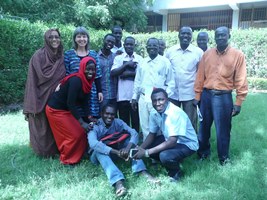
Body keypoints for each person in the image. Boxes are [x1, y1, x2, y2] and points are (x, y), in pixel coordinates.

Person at [194, 26, 248, 165]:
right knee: (203, 127)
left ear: (229, 36)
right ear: (214, 37)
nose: (220, 38)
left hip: (223, 97)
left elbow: (241, 79)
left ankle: (224, 158)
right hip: (206, 96)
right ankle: (203, 154)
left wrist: (238, 102)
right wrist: (197, 96)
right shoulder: (207, 54)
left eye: (223, 35)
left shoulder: (238, 55)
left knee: (223, 129)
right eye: (217, 35)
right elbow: (200, 76)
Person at [88, 104, 157, 197]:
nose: (109, 116)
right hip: (98, 156)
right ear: (101, 114)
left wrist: (127, 148)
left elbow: (134, 133)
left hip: (116, 153)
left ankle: (142, 171)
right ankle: (118, 182)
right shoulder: (95, 126)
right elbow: (93, 144)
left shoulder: (118, 122)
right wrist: (117, 152)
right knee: (99, 151)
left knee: (130, 143)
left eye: (112, 114)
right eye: (107, 114)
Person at [133, 88, 199, 182]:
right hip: (170, 140)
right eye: (154, 100)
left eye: (161, 99)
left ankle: (175, 173)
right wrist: (140, 149)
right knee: (150, 145)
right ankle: (174, 159)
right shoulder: (154, 112)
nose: (157, 103)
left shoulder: (175, 113)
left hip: (187, 144)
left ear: (167, 99)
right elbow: (152, 134)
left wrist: (146, 152)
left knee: (164, 156)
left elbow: (172, 142)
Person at [46, 56, 97, 165]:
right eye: (88, 69)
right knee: (74, 135)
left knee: (82, 132)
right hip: (55, 110)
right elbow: (71, 103)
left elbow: (84, 102)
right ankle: (67, 160)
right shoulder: (76, 80)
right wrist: (81, 122)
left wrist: (89, 117)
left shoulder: (88, 82)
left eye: (93, 69)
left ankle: (79, 155)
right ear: (82, 68)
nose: (90, 72)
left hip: (66, 110)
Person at [23, 28, 66, 158]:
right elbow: (33, 80)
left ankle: (57, 149)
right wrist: (33, 101)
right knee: (42, 124)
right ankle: (43, 152)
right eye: (51, 37)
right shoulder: (38, 56)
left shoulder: (62, 56)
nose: (54, 40)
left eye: (57, 37)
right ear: (46, 39)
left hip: (57, 98)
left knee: (56, 124)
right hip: (41, 96)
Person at [131, 37, 175, 140]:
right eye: (149, 46)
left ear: (159, 47)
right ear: (146, 47)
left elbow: (171, 83)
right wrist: (134, 97)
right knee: (145, 124)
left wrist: (165, 98)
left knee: (160, 124)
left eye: (154, 45)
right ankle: (148, 149)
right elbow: (137, 81)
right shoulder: (142, 62)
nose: (152, 48)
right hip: (143, 98)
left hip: (158, 100)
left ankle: (160, 146)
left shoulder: (165, 62)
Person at [165, 26, 203, 132]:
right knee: (172, 121)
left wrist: (198, 95)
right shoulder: (170, 52)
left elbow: (201, 74)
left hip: (190, 94)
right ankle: (174, 144)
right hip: (172, 93)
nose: (185, 36)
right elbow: (165, 72)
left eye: (188, 34)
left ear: (191, 37)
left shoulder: (198, 52)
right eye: (183, 33)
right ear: (178, 35)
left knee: (190, 122)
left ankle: (192, 146)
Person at [64, 26, 103, 119]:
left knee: (91, 118)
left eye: (84, 36)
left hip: (91, 91)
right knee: (77, 118)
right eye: (79, 36)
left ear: (88, 38)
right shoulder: (68, 54)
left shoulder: (93, 54)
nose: (82, 39)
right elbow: (67, 75)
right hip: (75, 91)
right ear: (74, 39)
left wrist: (100, 91)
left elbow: (97, 74)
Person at [111, 36, 143, 132]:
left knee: (135, 120)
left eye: (131, 44)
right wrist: (126, 65)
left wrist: (127, 74)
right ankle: (125, 139)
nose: (129, 46)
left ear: (134, 45)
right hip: (122, 96)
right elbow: (113, 72)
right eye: (127, 44)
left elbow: (141, 75)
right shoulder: (118, 58)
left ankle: (135, 141)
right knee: (124, 121)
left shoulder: (140, 59)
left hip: (135, 96)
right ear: (124, 45)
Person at [98, 33, 117, 109]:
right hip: (101, 95)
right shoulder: (96, 57)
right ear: (104, 41)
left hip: (114, 94)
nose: (110, 43)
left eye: (112, 42)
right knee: (101, 117)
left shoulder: (115, 57)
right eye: (108, 41)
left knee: (113, 117)